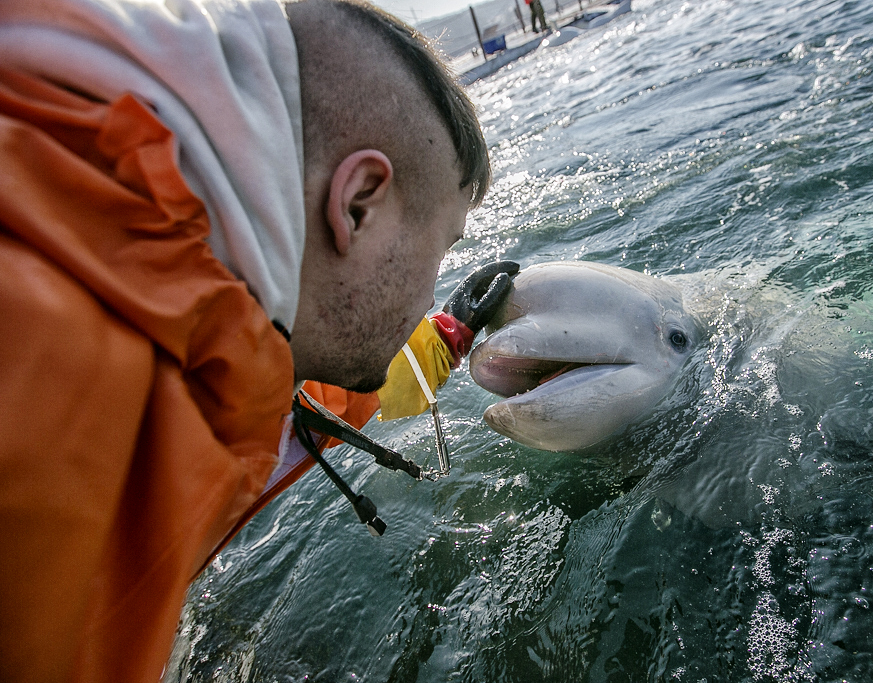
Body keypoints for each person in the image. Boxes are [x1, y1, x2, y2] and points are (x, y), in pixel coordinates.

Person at [0, 1, 513, 681]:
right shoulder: (47, 357)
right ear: (357, 203)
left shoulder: (176, 288)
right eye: (439, 248)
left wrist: (441, 339)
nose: (428, 289)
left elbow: (286, 394)